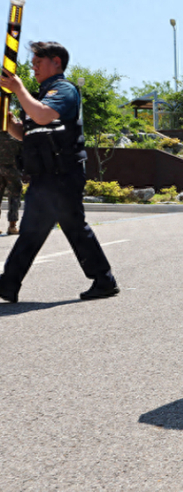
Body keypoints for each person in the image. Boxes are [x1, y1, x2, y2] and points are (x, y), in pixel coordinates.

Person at [0, 41, 118, 303]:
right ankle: (8, 284)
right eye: (32, 65)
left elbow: (43, 117)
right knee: (38, 230)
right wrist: (7, 120)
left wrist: (18, 89)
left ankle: (103, 280)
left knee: (64, 228)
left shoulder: (63, 90)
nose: (33, 69)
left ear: (56, 61)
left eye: (37, 63)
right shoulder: (39, 95)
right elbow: (26, 133)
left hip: (63, 175)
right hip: (44, 176)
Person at [0, 132, 22, 235]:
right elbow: (23, 153)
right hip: (13, 170)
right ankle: (12, 226)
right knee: (14, 197)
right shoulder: (15, 135)